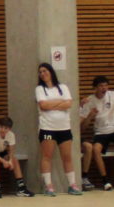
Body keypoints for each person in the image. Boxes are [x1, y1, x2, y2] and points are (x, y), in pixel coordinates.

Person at [35, 63, 81, 194]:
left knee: (67, 157)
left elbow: (69, 103)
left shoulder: (63, 87)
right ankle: (48, 186)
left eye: (45, 71)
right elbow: (43, 105)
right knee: (47, 156)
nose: (43, 74)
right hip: (48, 129)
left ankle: (72, 185)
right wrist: (60, 103)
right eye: (40, 72)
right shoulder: (39, 89)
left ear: (51, 72)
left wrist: (51, 104)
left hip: (64, 129)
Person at [80, 76, 114, 190]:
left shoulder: (113, 95)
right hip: (100, 133)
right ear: (95, 88)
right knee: (94, 149)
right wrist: (90, 116)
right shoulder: (88, 102)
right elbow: (81, 129)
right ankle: (104, 180)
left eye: (105, 85)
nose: (104, 88)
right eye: (101, 86)